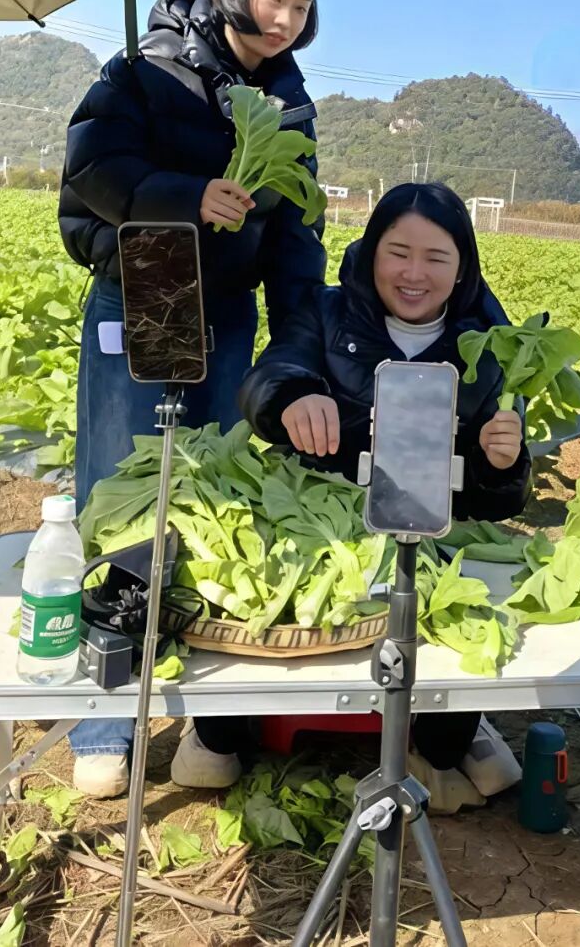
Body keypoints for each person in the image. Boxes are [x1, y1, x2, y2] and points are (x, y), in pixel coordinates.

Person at [58, 0, 326, 798]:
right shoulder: (151, 62)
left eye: (302, 6)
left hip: (225, 316)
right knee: (120, 495)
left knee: (214, 502)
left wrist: (295, 347)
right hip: (142, 293)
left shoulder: (290, 103)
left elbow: (295, 236)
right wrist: (184, 197)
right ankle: (105, 721)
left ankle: (209, 722)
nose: (284, 18)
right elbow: (90, 164)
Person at [174, 182, 531, 812]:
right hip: (321, 517)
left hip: (436, 525)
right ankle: (217, 729)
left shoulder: (492, 343)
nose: (413, 273)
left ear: (462, 268)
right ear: (370, 252)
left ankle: (451, 734)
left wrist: (503, 462)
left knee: (480, 597)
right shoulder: (328, 311)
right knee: (238, 577)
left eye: (436, 258)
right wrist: (292, 399)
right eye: (398, 252)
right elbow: (270, 375)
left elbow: (498, 500)